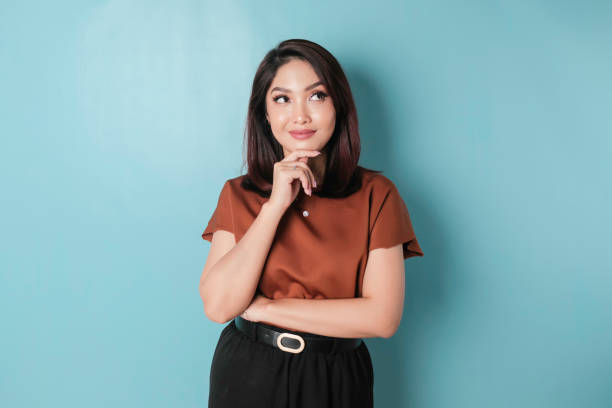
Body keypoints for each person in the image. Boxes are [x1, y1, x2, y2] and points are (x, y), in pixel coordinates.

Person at [199, 38, 424, 408]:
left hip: (335, 377)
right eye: (282, 99)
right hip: (247, 373)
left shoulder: (376, 194)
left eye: (316, 96)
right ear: (265, 114)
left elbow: (382, 317)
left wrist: (265, 309)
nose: (300, 115)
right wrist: (274, 207)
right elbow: (220, 306)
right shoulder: (238, 194)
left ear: (339, 106)